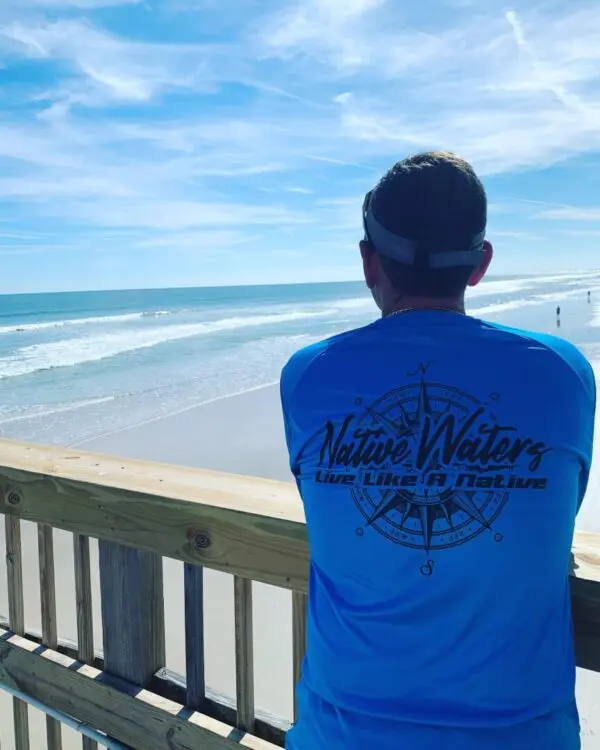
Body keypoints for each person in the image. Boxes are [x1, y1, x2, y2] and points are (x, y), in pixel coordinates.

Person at [280, 151, 595, 750]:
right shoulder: (563, 374)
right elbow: (561, 509)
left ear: (369, 262)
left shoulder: (308, 376)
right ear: (480, 265)